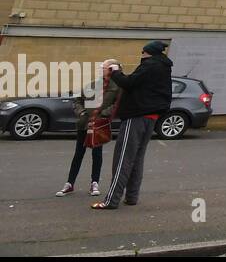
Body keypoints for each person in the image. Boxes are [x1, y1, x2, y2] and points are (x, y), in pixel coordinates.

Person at [93, 41, 172, 210]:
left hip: (136, 116)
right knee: (137, 158)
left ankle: (111, 200)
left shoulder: (150, 66)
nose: (141, 56)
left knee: (123, 158)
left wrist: (115, 72)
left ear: (147, 53)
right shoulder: (164, 68)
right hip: (151, 116)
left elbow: (129, 83)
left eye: (142, 53)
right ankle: (132, 196)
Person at [57, 59, 121, 198]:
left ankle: (94, 183)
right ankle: (70, 183)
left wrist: (104, 113)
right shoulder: (93, 84)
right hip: (84, 123)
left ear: (111, 69)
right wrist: (81, 112)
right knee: (78, 153)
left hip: (99, 124)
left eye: (103, 67)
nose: (100, 69)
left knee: (97, 154)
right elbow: (78, 100)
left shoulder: (117, 86)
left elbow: (118, 104)